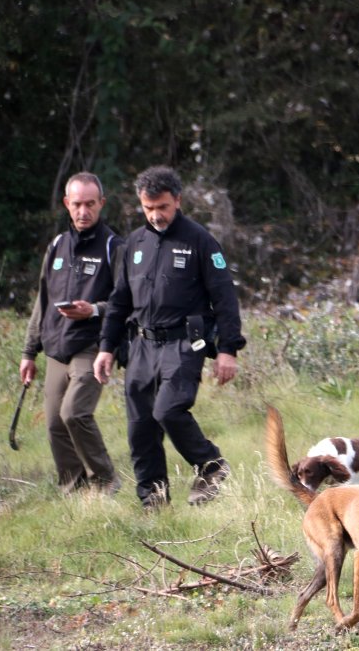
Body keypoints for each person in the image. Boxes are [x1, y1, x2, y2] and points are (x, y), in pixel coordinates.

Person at [92, 166, 246, 509]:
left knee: (168, 410)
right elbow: (119, 301)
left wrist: (228, 350)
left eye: (162, 207)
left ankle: (211, 465)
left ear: (177, 200)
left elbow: (224, 297)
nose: (155, 215)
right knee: (140, 428)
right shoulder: (133, 244)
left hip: (184, 343)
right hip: (141, 345)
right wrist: (106, 348)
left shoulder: (200, 241)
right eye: (148, 208)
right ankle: (154, 502)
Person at [20, 172, 123, 495]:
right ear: (67, 204)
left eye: (90, 204)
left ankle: (105, 483)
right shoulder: (56, 246)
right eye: (77, 204)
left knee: (74, 413)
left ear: (101, 204)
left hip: (92, 346)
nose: (83, 211)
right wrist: (28, 352)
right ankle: (74, 491)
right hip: (55, 347)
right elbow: (43, 300)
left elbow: (126, 301)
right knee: (54, 424)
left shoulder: (112, 246)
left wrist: (93, 310)